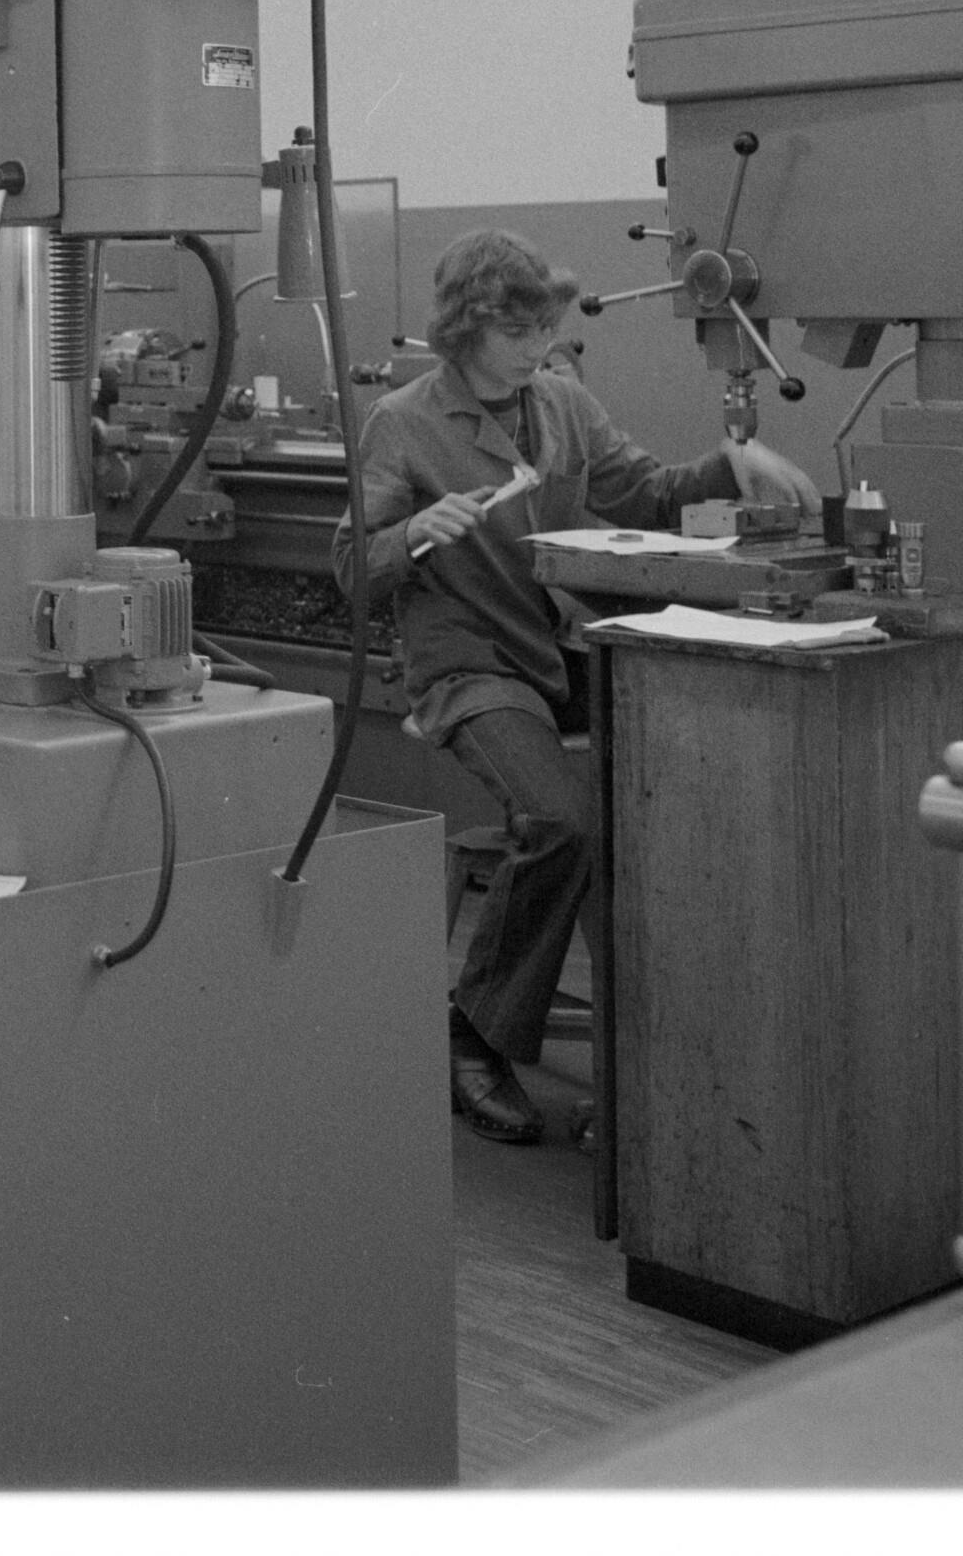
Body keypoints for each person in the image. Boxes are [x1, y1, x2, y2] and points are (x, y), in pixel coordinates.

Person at [344, 227, 821, 1146]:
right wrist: (412, 533)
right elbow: (351, 569)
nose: (539, 346)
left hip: (556, 650)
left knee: (675, 792)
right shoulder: (402, 422)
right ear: (465, 328)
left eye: (545, 328)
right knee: (561, 820)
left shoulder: (561, 401)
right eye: (518, 331)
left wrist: (732, 461)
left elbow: (646, 492)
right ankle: (475, 1034)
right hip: (469, 663)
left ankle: (655, 1053)